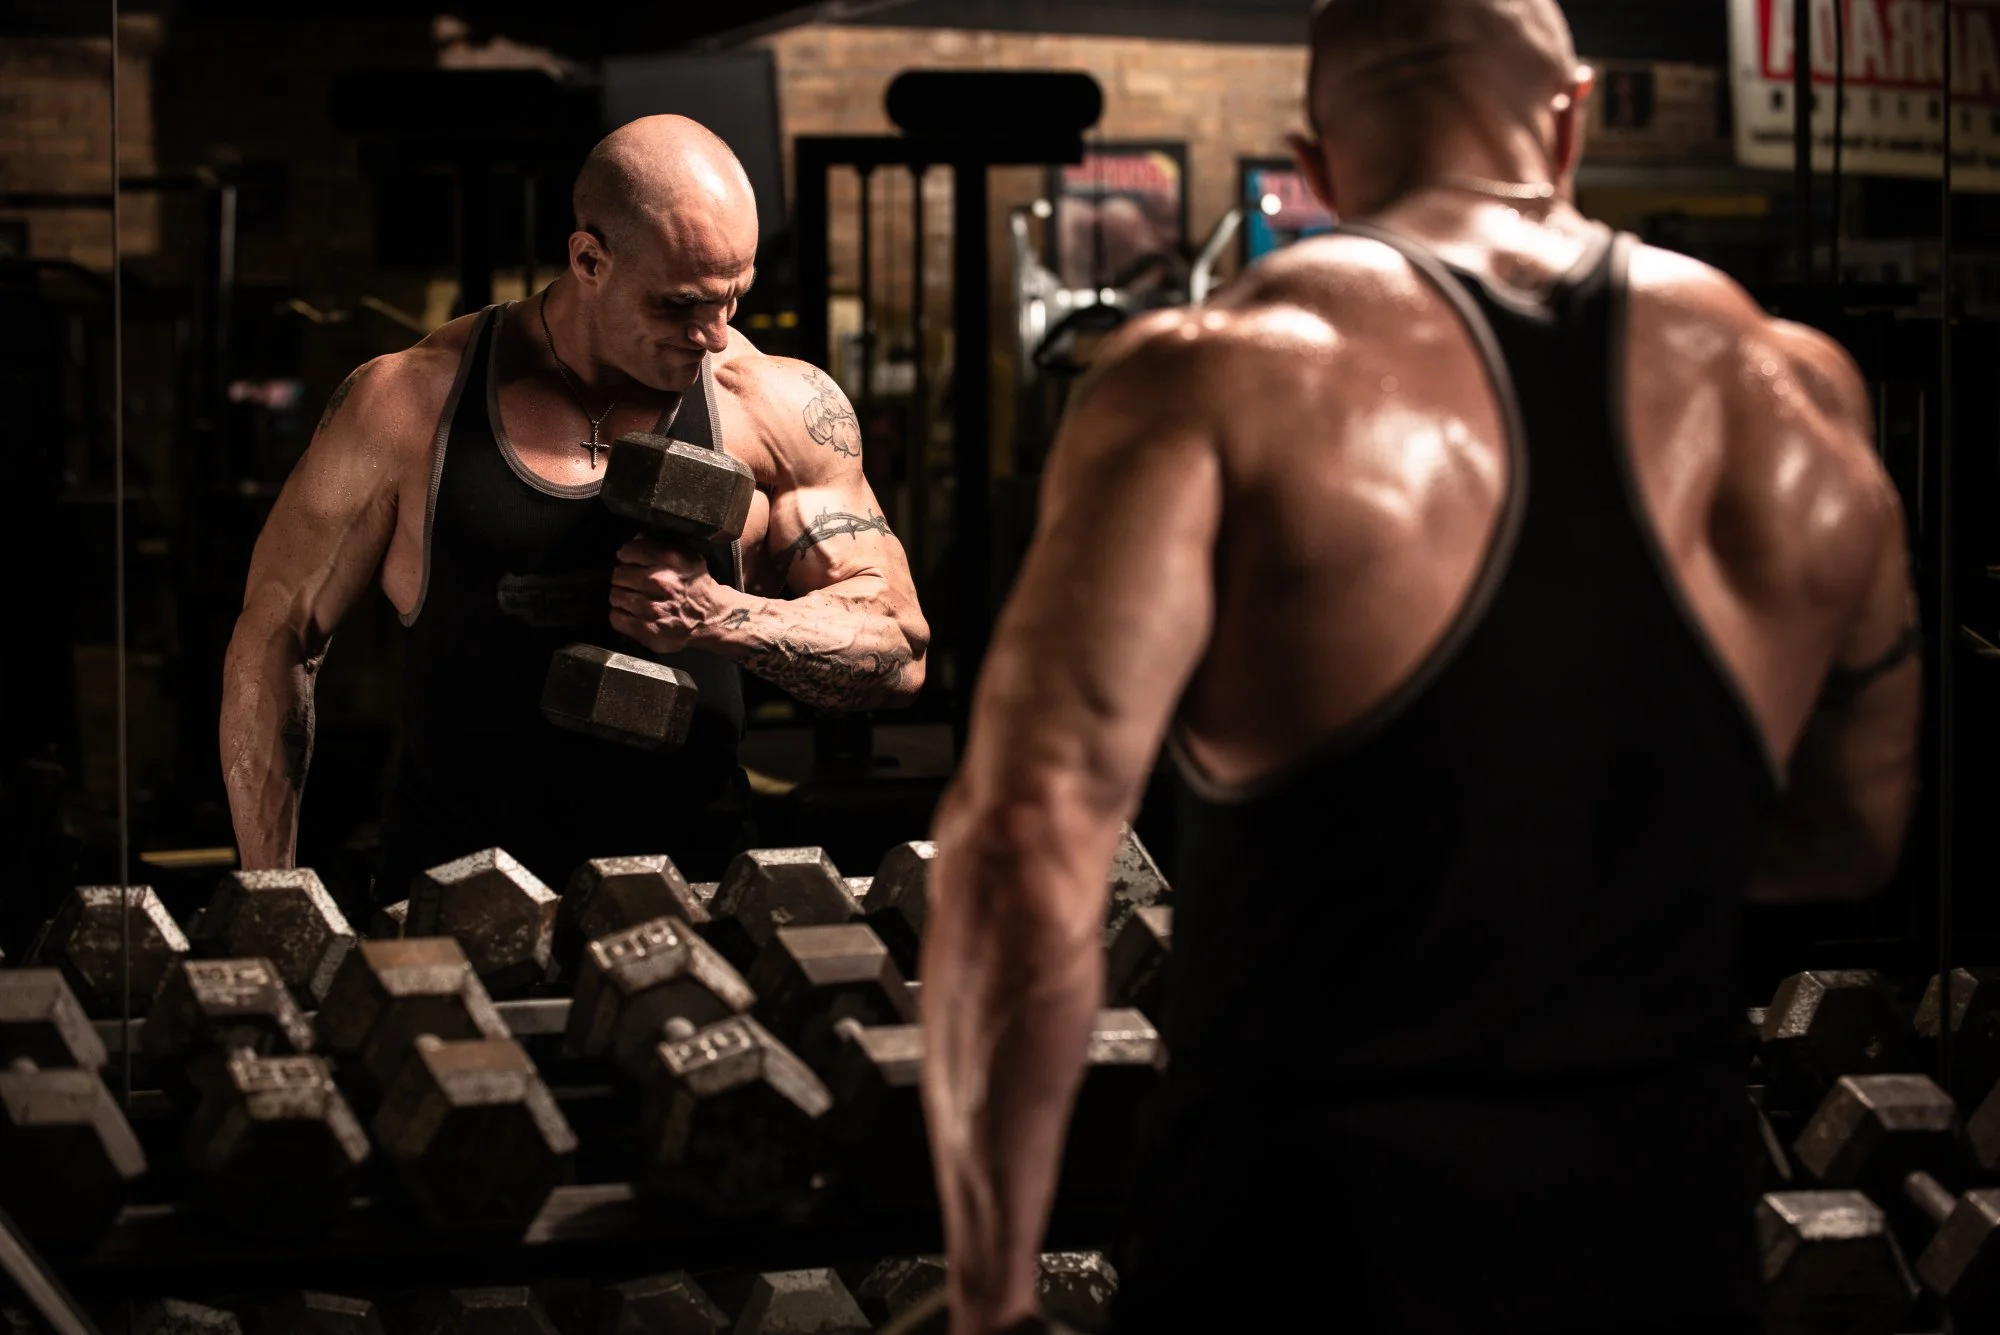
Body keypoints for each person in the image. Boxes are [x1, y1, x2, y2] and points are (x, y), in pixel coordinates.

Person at [917, 1, 1921, 1331]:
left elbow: (1025, 843)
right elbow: (1850, 835)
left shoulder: (1212, 377)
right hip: (1665, 1241)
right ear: (1569, 117)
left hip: (1305, 1249)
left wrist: (990, 1297)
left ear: (1314, 163)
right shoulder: (1801, 397)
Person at [221, 115, 928, 898]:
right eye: (680, 305)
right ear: (589, 258)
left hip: (697, 897)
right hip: (451, 901)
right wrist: (268, 891)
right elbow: (277, 638)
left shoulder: (773, 406)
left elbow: (899, 649)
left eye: (734, 298)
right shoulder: (407, 403)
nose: (714, 337)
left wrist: (721, 617)